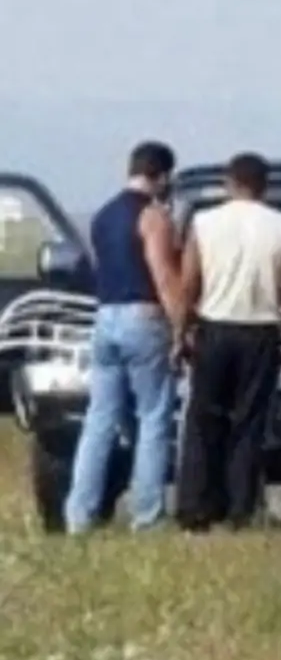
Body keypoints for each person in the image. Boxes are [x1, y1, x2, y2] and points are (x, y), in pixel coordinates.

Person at [174, 152, 281, 531]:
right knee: (248, 423)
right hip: (260, 329)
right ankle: (240, 508)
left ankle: (195, 506)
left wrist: (179, 332)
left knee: (204, 418)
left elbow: (188, 283)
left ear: (228, 184)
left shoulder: (204, 223)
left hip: (214, 327)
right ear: (265, 186)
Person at [64, 140, 183, 533]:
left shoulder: (102, 215)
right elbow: (163, 274)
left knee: (100, 418)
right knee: (153, 417)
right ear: (162, 176)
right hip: (143, 316)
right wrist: (182, 326)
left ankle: (79, 513)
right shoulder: (153, 217)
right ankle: (147, 515)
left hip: (104, 316)